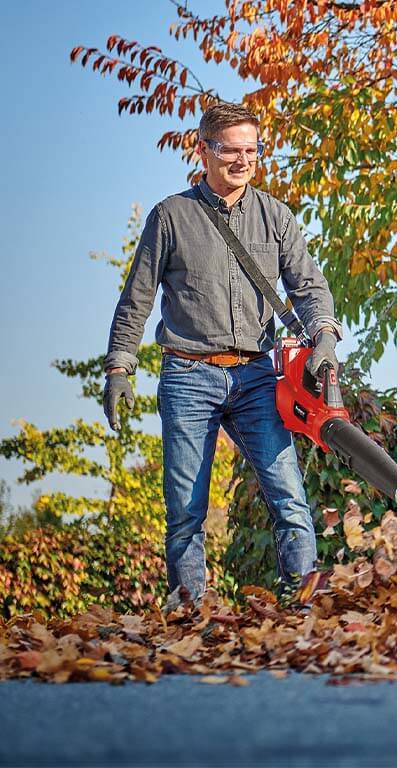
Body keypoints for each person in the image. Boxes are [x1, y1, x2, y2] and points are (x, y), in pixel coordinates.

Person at [102, 102, 342, 609]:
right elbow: (137, 299)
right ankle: (190, 610)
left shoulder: (276, 216)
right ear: (202, 150)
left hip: (258, 376)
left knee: (289, 497)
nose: (242, 160)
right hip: (188, 375)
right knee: (187, 507)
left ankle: (303, 608)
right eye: (230, 150)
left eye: (251, 150)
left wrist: (323, 333)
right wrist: (120, 367)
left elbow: (309, 286)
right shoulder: (171, 217)